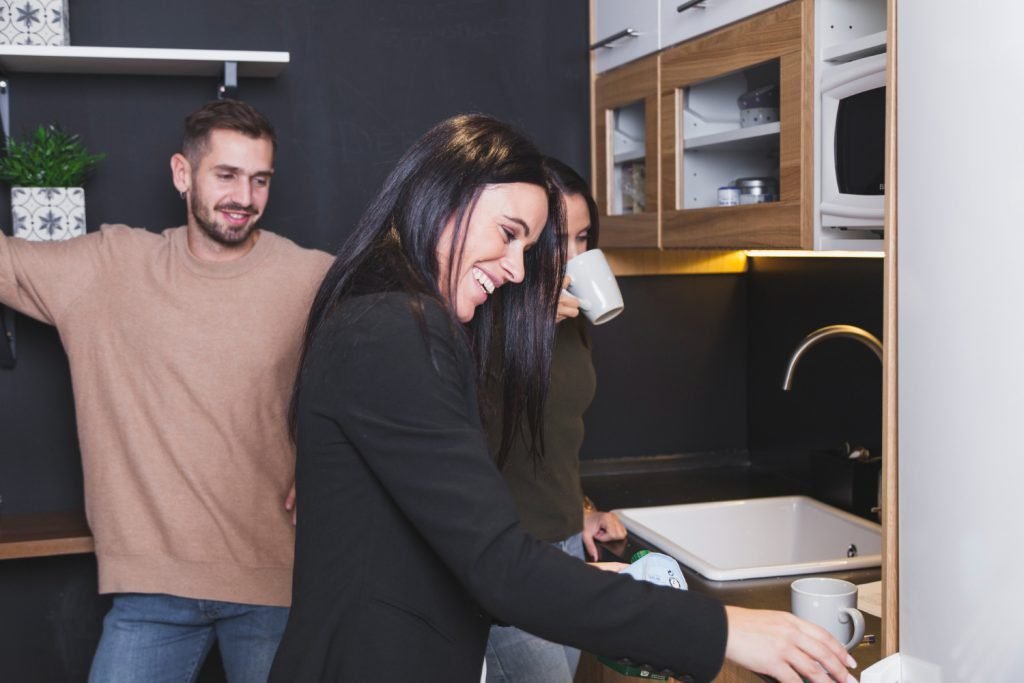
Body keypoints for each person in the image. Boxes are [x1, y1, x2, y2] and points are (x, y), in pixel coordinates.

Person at [269, 113, 859, 683]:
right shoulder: (396, 329)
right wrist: (725, 629)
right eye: (508, 234)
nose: (518, 270)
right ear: (445, 196)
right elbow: (501, 569)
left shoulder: (382, 314)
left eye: (528, 247)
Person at [0, 99, 333, 682]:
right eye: (226, 176)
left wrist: (332, 464)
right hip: (151, 593)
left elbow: (397, 358)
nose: (245, 198)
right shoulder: (110, 266)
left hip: (275, 588)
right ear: (183, 174)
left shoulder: (312, 278)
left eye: (260, 180)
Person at [484, 158, 627, 683]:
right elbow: (474, 437)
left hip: (566, 547)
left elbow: (553, 440)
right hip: (509, 558)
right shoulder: (484, 316)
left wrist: (582, 510)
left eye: (584, 237)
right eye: (558, 241)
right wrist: (532, 317)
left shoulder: (575, 324)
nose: (573, 257)